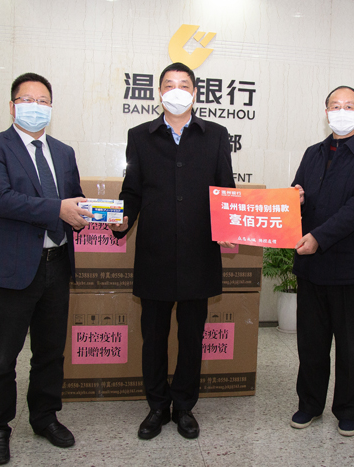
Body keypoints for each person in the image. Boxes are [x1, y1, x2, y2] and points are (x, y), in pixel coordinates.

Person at [109, 62, 235, 440]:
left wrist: (231, 227)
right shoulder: (140, 136)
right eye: (169, 84)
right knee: (154, 337)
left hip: (200, 254)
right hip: (155, 255)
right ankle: (156, 406)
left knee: (192, 337)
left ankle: (184, 406)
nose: (176, 90)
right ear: (159, 92)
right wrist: (122, 220)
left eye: (184, 84)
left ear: (194, 93)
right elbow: (132, 190)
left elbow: (225, 189)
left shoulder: (215, 135)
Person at [0, 72, 91, 465]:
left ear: (51, 108)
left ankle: (44, 417)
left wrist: (92, 215)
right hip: (12, 269)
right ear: (12, 106)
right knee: (2, 357)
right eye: (27, 100)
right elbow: (1, 199)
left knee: (50, 352)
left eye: (43, 101)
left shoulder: (64, 152)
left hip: (57, 266)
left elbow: (74, 200)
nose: (35, 107)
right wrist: (58, 209)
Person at [289, 86, 354, 437]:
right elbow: (296, 195)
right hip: (311, 267)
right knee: (311, 343)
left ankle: (348, 410)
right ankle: (309, 404)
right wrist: (296, 198)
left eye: (349, 106)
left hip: (351, 267)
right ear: (326, 112)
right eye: (335, 105)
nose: (341, 111)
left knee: (350, 346)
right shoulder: (313, 153)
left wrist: (319, 237)